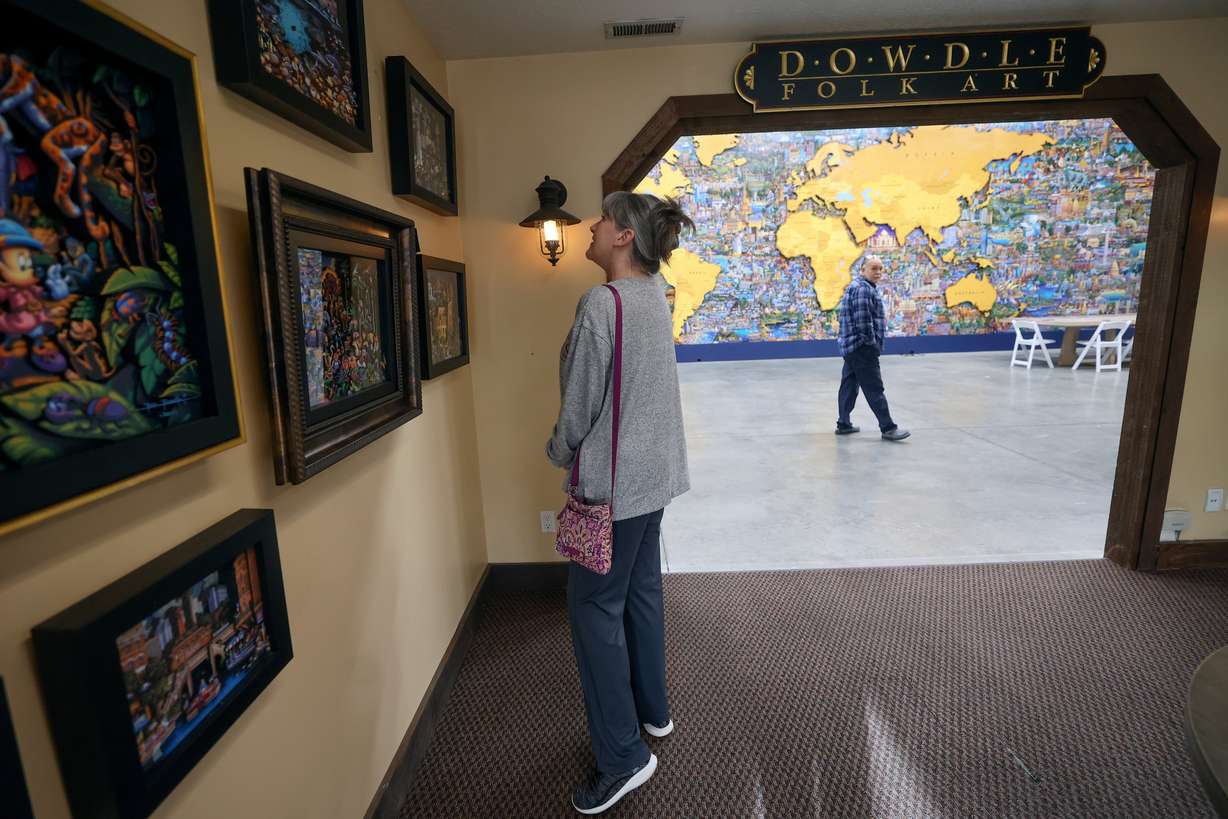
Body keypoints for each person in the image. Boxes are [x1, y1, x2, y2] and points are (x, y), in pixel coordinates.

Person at [546, 191, 692, 815]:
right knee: (639, 591)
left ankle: (623, 758)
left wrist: (558, 452)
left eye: (603, 219)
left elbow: (579, 408)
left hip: (614, 487)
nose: (592, 226)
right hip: (654, 478)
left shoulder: (601, 304)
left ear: (625, 236)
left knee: (593, 612)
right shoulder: (655, 298)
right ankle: (652, 712)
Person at [835, 255, 910, 441]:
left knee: (849, 385)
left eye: (880, 269)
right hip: (862, 348)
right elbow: (863, 322)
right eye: (873, 268)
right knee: (874, 388)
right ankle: (888, 428)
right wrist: (872, 344)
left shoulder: (856, 287)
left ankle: (843, 423)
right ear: (863, 270)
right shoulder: (863, 290)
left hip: (851, 347)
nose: (877, 272)